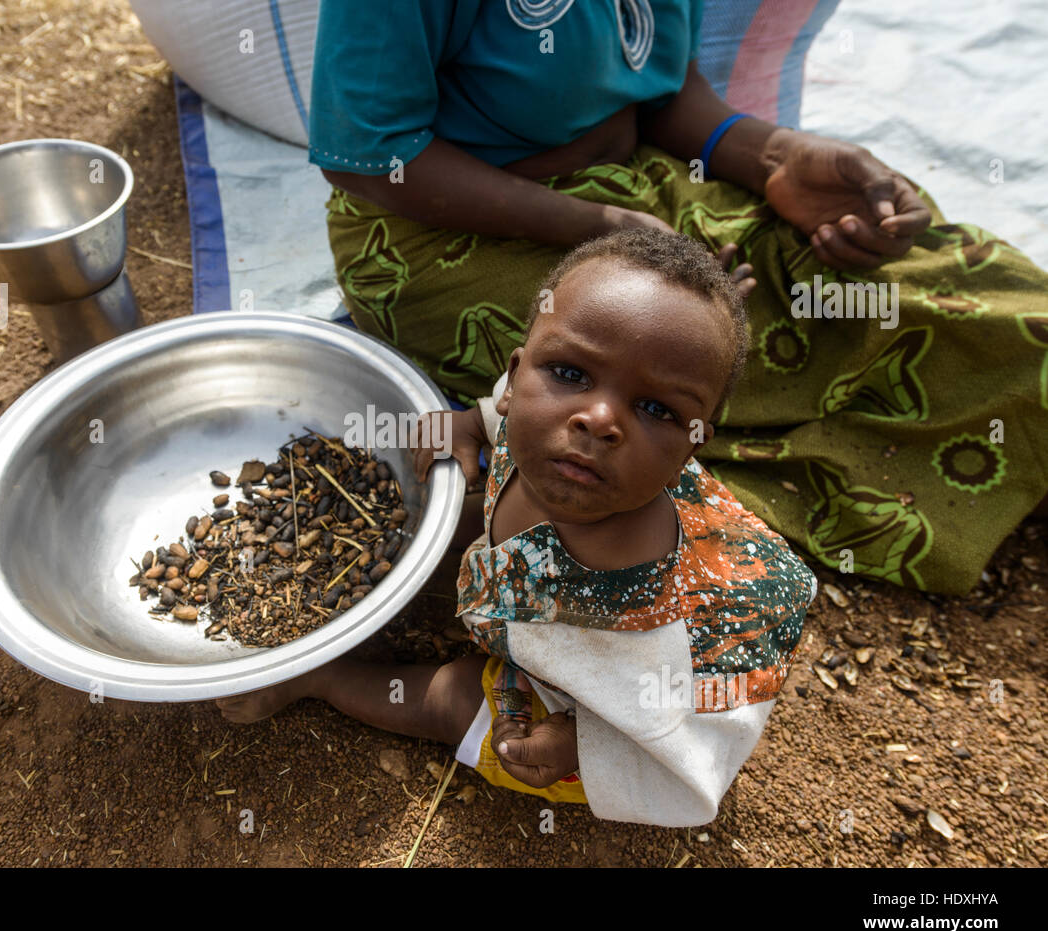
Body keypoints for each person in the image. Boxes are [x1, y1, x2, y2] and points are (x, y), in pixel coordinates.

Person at [308, 0, 1048, 595]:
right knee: (694, 361)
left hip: (638, 191)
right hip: (439, 236)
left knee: (957, 298)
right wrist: (605, 232)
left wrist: (777, 159)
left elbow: (663, 95)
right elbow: (375, 158)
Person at [217, 229, 816, 825]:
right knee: (452, 511)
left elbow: (692, 728)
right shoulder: (525, 417)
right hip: (526, 597)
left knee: (455, 703)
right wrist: (467, 426)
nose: (599, 418)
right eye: (571, 374)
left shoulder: (659, 621)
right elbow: (500, 407)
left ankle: (323, 677)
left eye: (657, 410)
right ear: (517, 375)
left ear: (691, 447)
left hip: (587, 697)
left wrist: (581, 740)